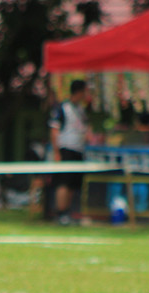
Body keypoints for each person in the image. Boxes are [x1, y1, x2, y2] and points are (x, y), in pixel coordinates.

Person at [49, 79, 92, 225]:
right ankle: (60, 213)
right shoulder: (62, 108)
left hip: (78, 150)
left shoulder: (80, 110)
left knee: (73, 184)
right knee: (63, 183)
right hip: (65, 149)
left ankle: (68, 211)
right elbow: (54, 130)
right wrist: (56, 152)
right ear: (79, 91)